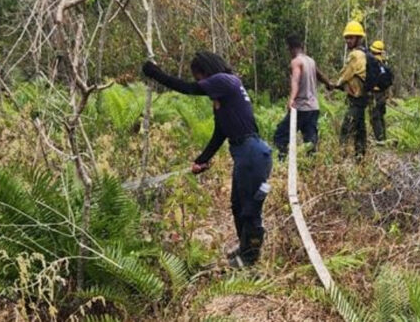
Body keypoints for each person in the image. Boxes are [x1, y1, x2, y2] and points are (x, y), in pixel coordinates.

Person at [142, 52, 272, 267]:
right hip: (246, 154)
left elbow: (187, 88)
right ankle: (244, 248)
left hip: (253, 153)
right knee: (237, 205)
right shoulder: (224, 97)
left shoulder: (226, 80)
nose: (200, 83)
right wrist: (201, 160)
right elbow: (220, 133)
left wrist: (155, 73)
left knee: (250, 209)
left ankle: (250, 259)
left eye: (199, 77)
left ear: (206, 72)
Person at [273, 36, 333, 161]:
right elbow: (319, 74)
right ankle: (311, 166)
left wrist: (291, 99)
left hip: (301, 107)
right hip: (313, 108)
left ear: (290, 48)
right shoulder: (310, 61)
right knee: (310, 140)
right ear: (302, 47)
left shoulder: (296, 62)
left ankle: (282, 160)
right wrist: (329, 84)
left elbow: (295, 80)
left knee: (280, 135)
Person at [335, 21, 368, 157]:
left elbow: (344, 75)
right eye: (346, 38)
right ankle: (360, 160)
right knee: (360, 131)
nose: (348, 41)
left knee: (346, 130)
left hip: (356, 99)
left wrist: (334, 84)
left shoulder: (355, 55)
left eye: (351, 38)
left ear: (359, 38)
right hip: (363, 99)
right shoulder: (366, 53)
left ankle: (341, 159)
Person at [368, 40, 389, 142]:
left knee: (375, 117)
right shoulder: (384, 64)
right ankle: (383, 138)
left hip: (374, 94)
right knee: (381, 117)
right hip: (382, 94)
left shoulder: (372, 63)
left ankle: (380, 140)